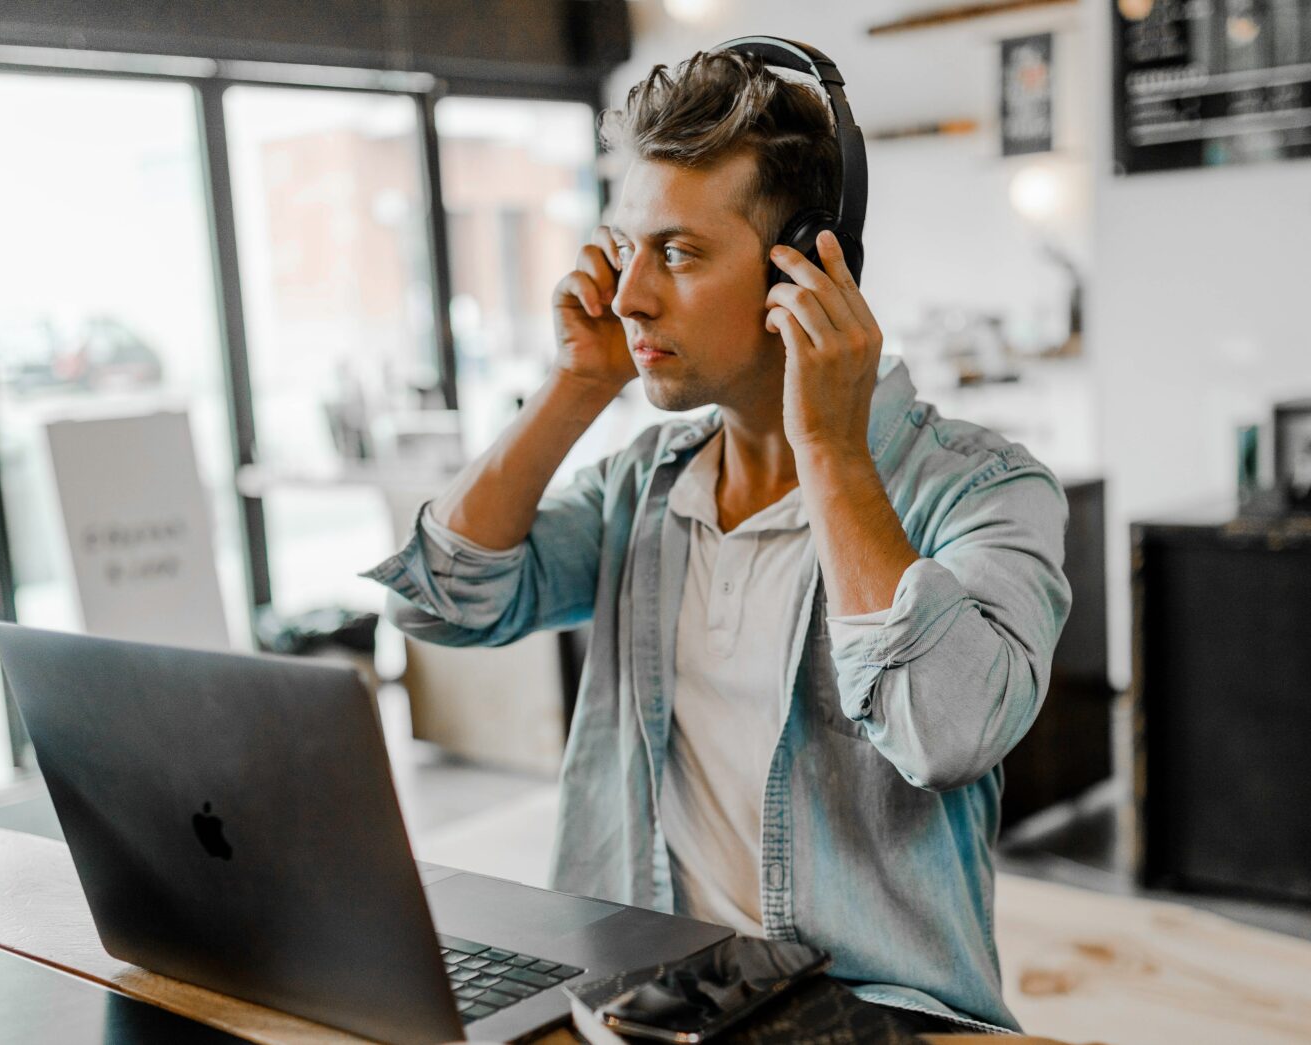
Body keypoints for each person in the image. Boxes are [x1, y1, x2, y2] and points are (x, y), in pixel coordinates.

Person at [362, 47, 1070, 1033]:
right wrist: (576, 388)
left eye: (680, 253)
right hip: (635, 1002)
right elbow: (435, 601)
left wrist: (827, 443)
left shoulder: (983, 490)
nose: (628, 297)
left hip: (867, 1017)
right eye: (624, 249)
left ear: (809, 265)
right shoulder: (641, 488)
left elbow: (943, 732)